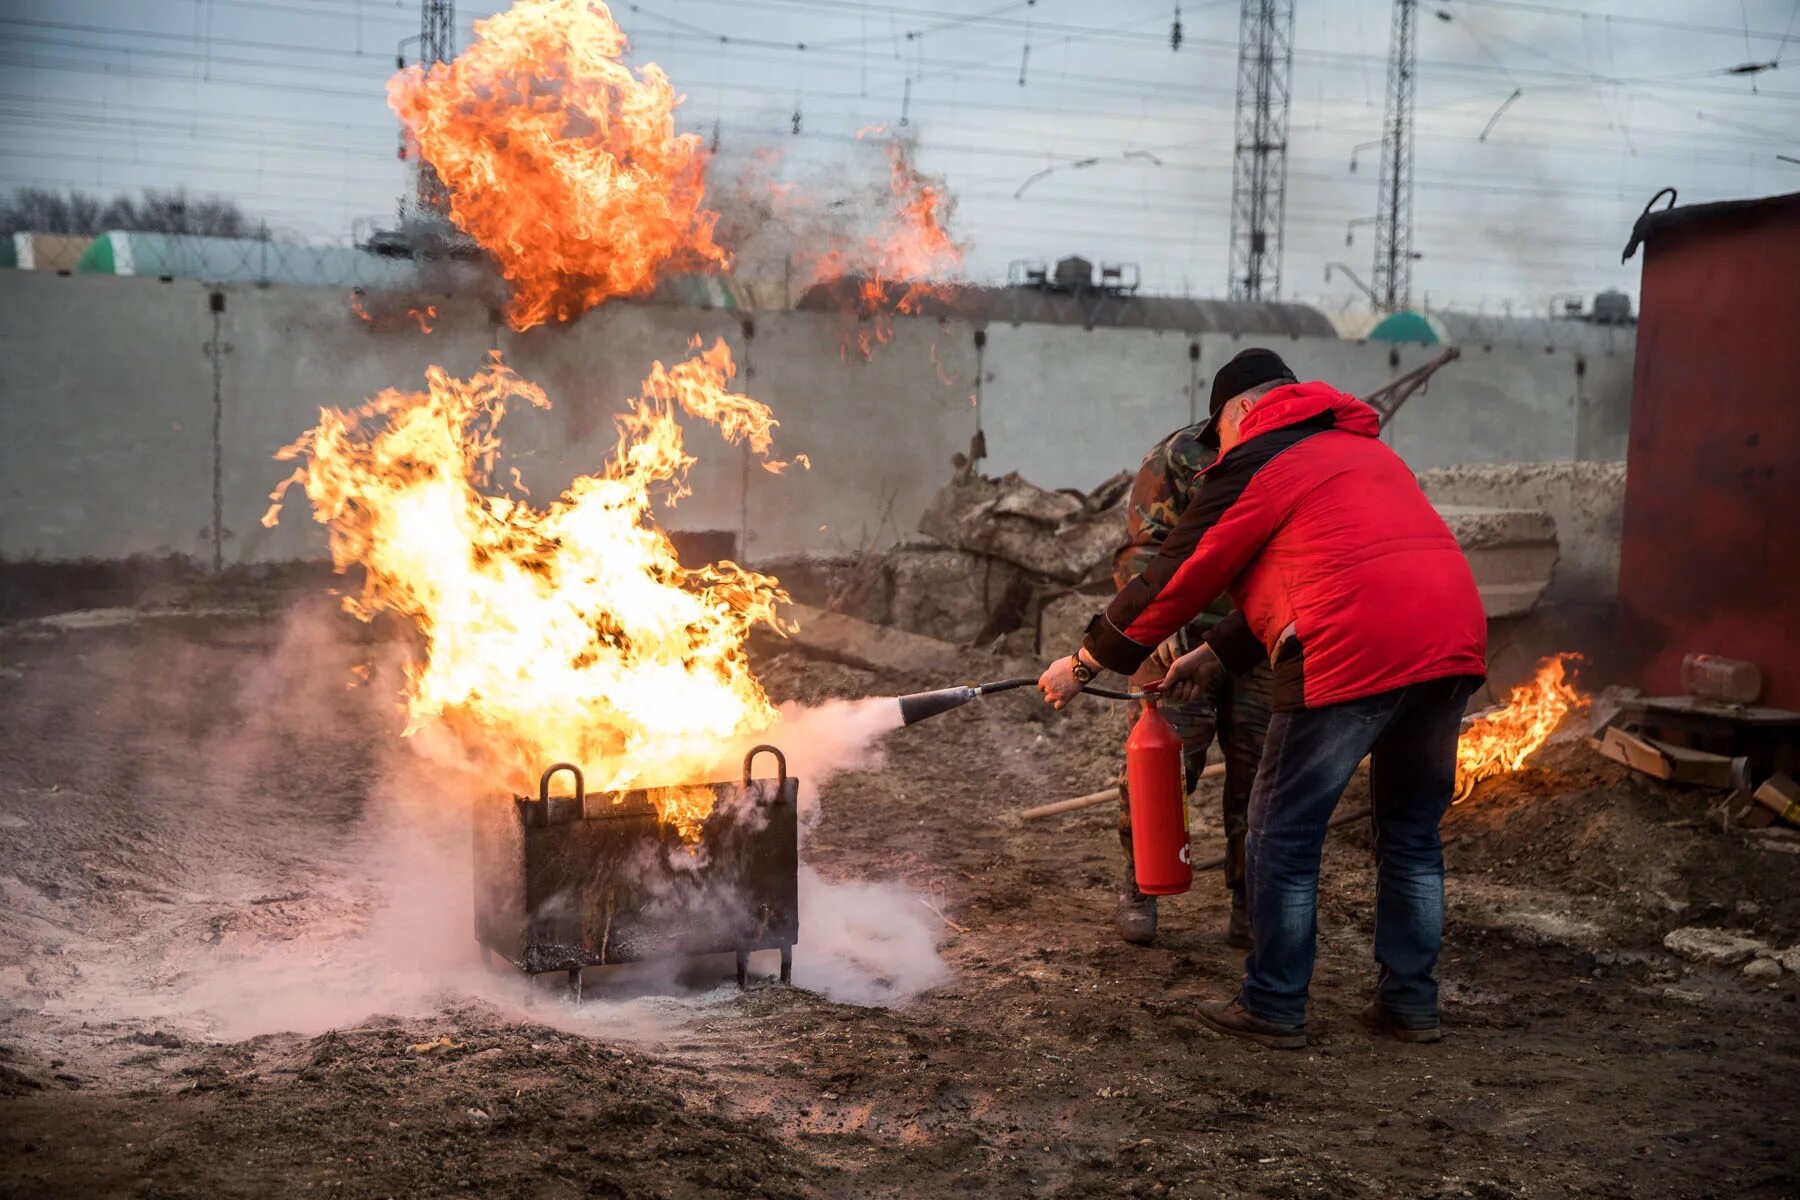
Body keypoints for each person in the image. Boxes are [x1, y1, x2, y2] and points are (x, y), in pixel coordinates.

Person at [1040, 347, 1487, 1050]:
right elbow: (1332, 568)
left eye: (1221, 432)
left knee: (1281, 829)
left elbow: (1176, 574)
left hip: (1351, 647)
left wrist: (1087, 659)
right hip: (1449, 641)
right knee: (1409, 835)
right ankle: (1410, 1003)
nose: (1219, 450)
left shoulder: (1254, 458)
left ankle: (1274, 1002)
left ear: (1243, 409)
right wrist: (1213, 655)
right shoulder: (1363, 452)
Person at [1111, 423, 1272, 950]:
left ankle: (1253, 898)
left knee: (1263, 772)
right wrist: (1154, 626)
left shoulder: (1288, 452)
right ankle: (1142, 882)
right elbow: (1143, 550)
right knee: (1164, 763)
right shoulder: (1181, 457)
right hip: (1179, 638)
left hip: (1260, 637)